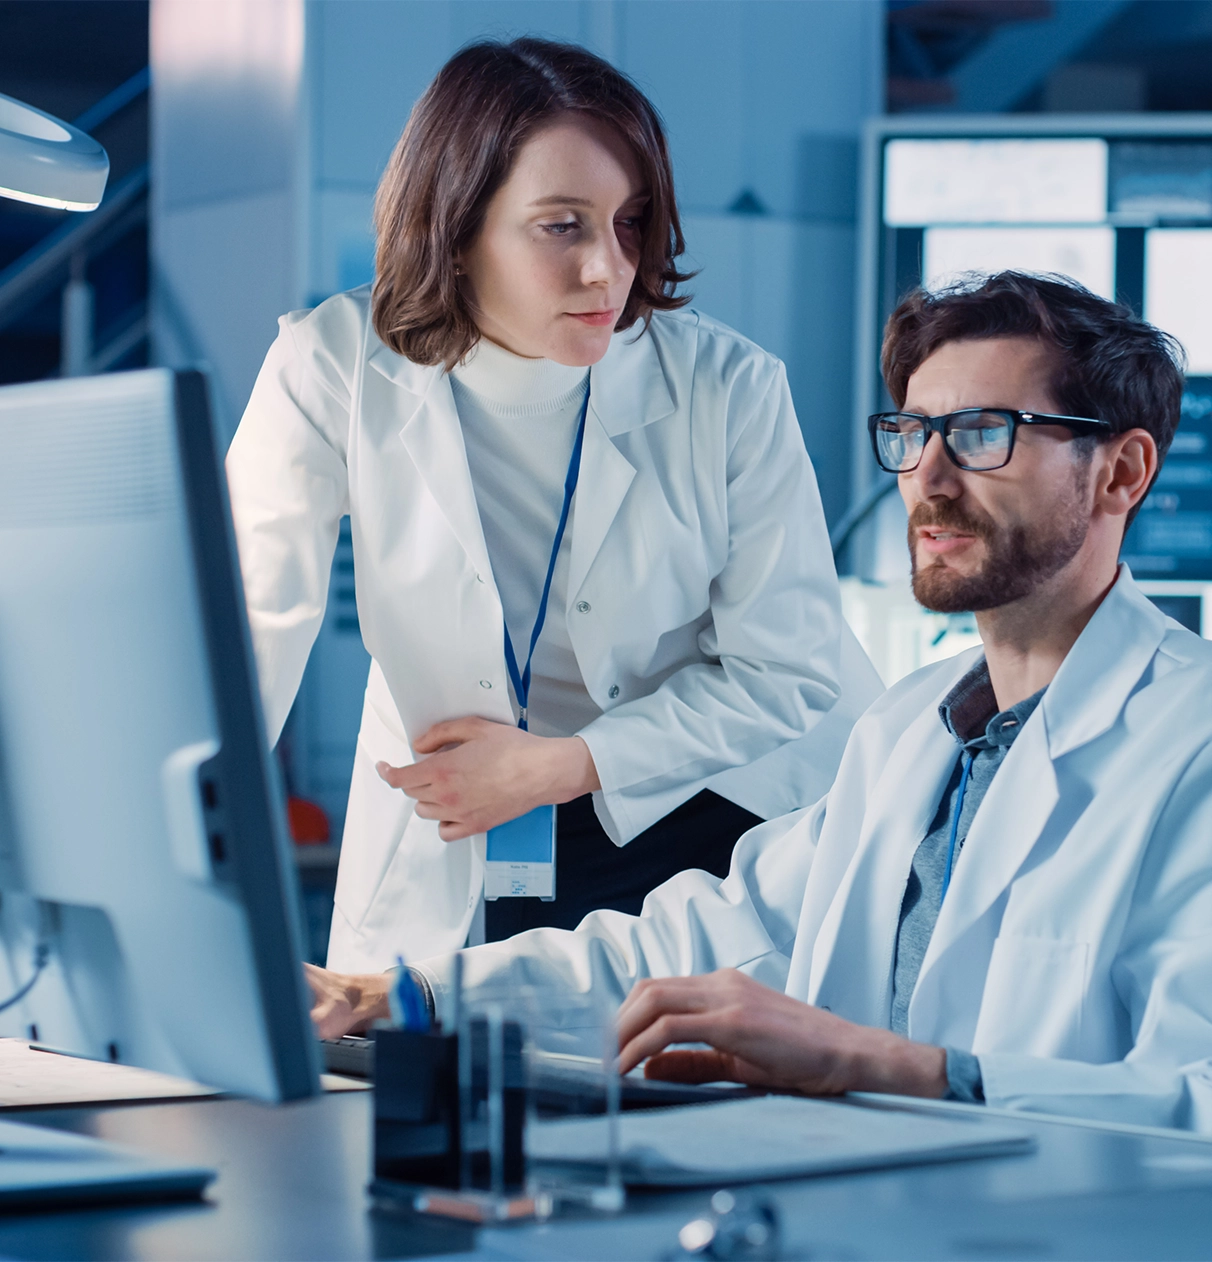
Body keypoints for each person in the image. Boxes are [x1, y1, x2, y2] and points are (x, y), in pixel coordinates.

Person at [309, 271, 1212, 1132]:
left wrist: (884, 1066)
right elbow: (695, 943)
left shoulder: (1191, 743)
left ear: (1122, 473)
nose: (929, 479)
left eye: (982, 434)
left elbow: (1192, 1100)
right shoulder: (906, 734)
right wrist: (397, 994)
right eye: (910, 434)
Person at [227, 37, 881, 970]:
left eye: (629, 223)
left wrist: (565, 764)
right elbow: (243, 634)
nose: (608, 271)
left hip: (714, 813)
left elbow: (789, 672)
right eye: (562, 226)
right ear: (456, 227)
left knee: (677, 1090)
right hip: (463, 822)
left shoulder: (727, 386)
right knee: (429, 1080)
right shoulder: (333, 366)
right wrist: (184, 875)